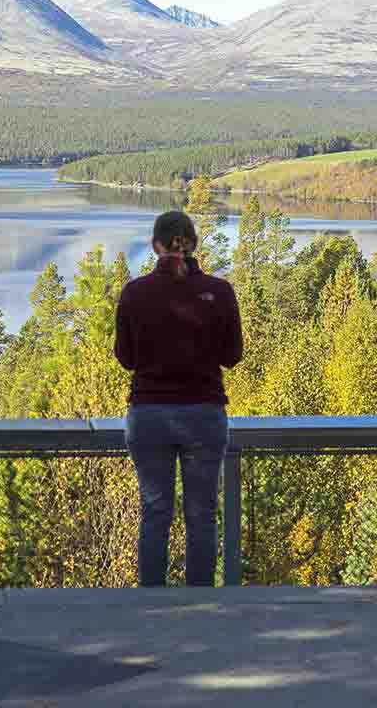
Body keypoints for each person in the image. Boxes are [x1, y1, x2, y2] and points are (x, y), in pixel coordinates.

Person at [113, 209, 243, 586]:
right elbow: (232, 356)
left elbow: (126, 358)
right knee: (201, 514)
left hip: (149, 414)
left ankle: (153, 605)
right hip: (204, 414)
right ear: (193, 244)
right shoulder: (220, 292)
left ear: (155, 246)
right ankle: (199, 603)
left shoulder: (135, 293)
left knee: (155, 512)